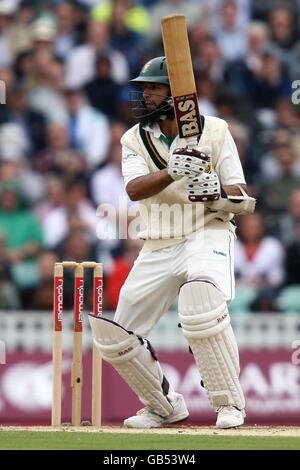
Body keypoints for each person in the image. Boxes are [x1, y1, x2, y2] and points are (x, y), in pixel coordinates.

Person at [89, 57, 255, 429]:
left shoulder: (215, 130)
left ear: (178, 94)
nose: (145, 95)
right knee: (118, 335)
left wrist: (216, 193)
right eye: (144, 88)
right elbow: (133, 189)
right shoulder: (134, 138)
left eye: (154, 88)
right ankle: (164, 407)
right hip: (160, 241)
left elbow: (242, 193)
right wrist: (171, 171)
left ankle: (229, 404)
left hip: (208, 230)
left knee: (200, 300)